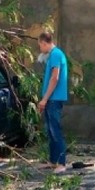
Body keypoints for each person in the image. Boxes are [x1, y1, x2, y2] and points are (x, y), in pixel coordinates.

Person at [37, 32, 69, 173]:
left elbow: (54, 78)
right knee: (50, 131)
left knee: (55, 131)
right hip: (51, 99)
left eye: (40, 45)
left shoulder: (56, 54)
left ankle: (62, 163)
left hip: (54, 99)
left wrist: (44, 99)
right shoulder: (53, 55)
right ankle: (52, 161)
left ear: (44, 42)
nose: (40, 49)